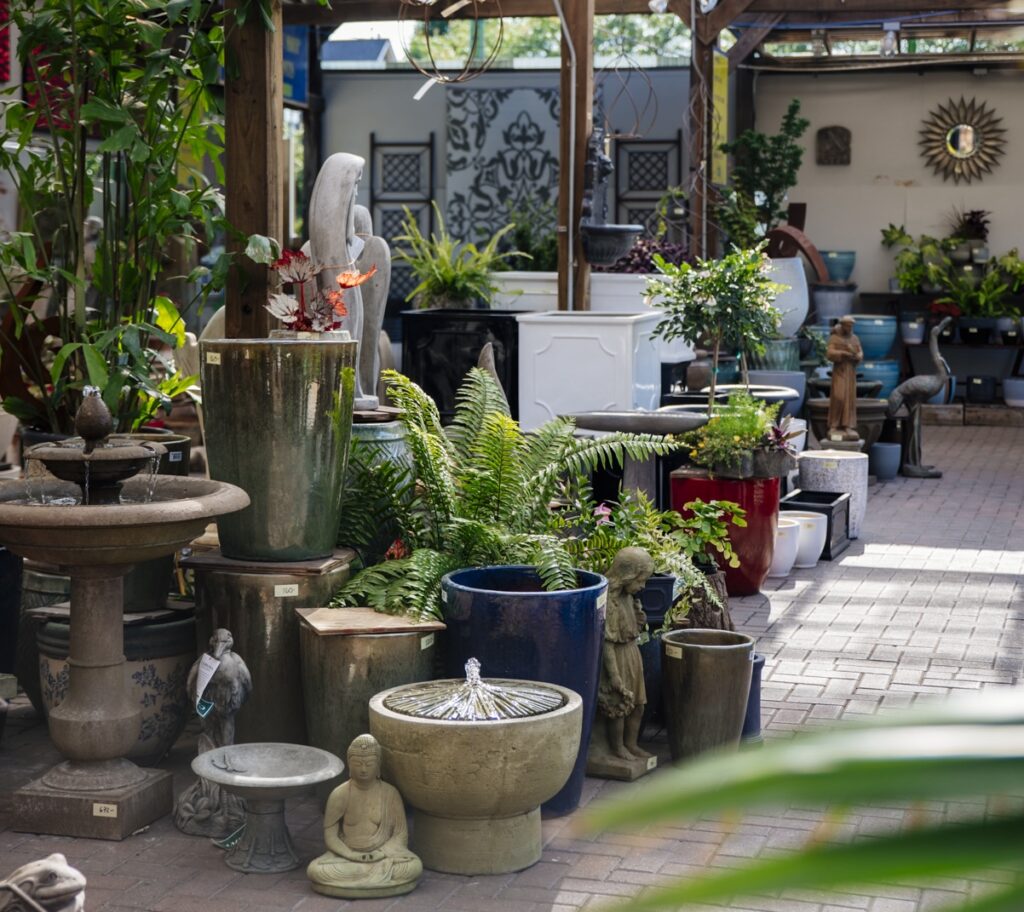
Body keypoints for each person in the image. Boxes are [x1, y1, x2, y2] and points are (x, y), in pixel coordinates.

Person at [306, 734, 422, 898]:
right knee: (316, 870)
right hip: (348, 856)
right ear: (349, 765)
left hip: (383, 856)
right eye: (357, 764)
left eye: (369, 764)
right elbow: (331, 836)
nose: (363, 769)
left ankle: (361, 879)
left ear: (378, 766)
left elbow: (400, 835)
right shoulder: (340, 794)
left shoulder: (390, 793)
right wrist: (351, 854)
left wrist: (381, 853)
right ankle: (373, 879)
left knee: (413, 866)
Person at [595, 547, 656, 762]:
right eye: (640, 580)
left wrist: (639, 617)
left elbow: (633, 628)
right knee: (618, 707)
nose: (643, 586)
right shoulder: (610, 603)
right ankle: (618, 747)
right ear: (626, 576)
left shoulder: (629, 598)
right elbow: (607, 644)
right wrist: (614, 676)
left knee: (638, 705)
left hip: (632, 653)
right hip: (617, 659)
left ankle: (632, 744)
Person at [826, 316, 863, 442]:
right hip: (840, 371)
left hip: (850, 372)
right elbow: (829, 354)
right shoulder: (835, 338)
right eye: (847, 326)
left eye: (851, 326)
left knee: (849, 399)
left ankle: (848, 425)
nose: (849, 328)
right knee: (839, 397)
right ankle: (834, 425)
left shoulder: (854, 338)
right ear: (842, 325)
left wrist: (856, 356)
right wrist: (843, 354)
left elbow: (860, 353)